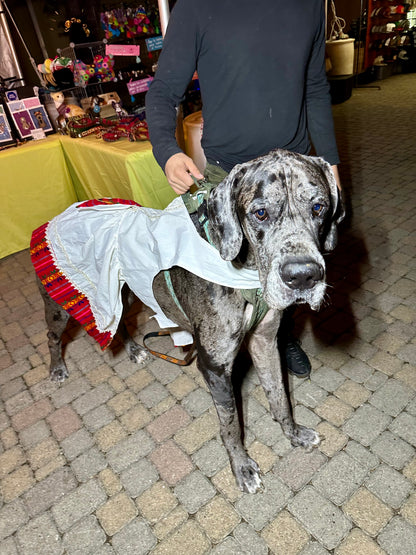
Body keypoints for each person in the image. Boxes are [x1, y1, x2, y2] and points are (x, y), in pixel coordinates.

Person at [146, 0, 341, 378]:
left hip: (293, 174)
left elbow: (315, 86)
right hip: (230, 178)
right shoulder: (197, 6)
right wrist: (167, 152)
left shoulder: (311, 4)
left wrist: (330, 163)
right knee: (231, 284)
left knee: (292, 264)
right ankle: (232, 343)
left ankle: (282, 338)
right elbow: (164, 90)